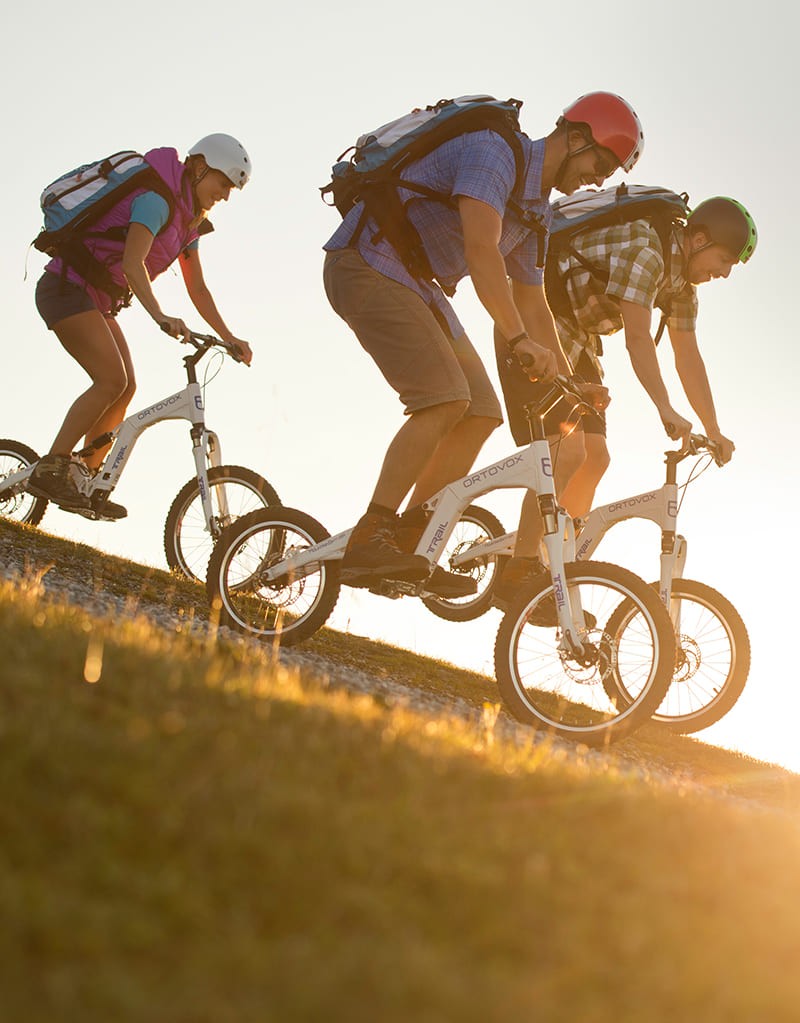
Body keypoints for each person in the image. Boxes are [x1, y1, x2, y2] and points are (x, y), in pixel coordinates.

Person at [323, 92, 643, 597]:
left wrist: (571, 383)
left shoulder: (538, 212)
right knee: (446, 398)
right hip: (367, 264)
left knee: (482, 410)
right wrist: (515, 338)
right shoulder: (494, 152)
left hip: (415, 284)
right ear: (575, 136)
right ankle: (372, 534)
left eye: (608, 171)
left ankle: (407, 540)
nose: (598, 178)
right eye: (599, 162)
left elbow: (534, 302)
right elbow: (480, 247)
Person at [493, 193, 758, 603]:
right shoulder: (647, 251)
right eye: (724, 260)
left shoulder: (682, 287)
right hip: (538, 326)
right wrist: (664, 407)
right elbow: (637, 339)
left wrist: (713, 427)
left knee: (596, 458)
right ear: (700, 240)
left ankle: (554, 570)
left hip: (579, 342)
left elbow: (687, 355)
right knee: (567, 453)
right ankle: (520, 570)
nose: (724, 273)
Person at [28, 133, 253, 518]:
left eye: (232, 189)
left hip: (96, 300)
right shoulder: (156, 201)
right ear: (199, 167)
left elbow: (197, 288)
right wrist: (161, 315)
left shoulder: (190, 224)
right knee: (110, 381)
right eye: (223, 183)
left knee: (127, 386)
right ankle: (53, 465)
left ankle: (84, 478)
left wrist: (229, 337)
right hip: (66, 288)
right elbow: (134, 264)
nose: (226, 195)